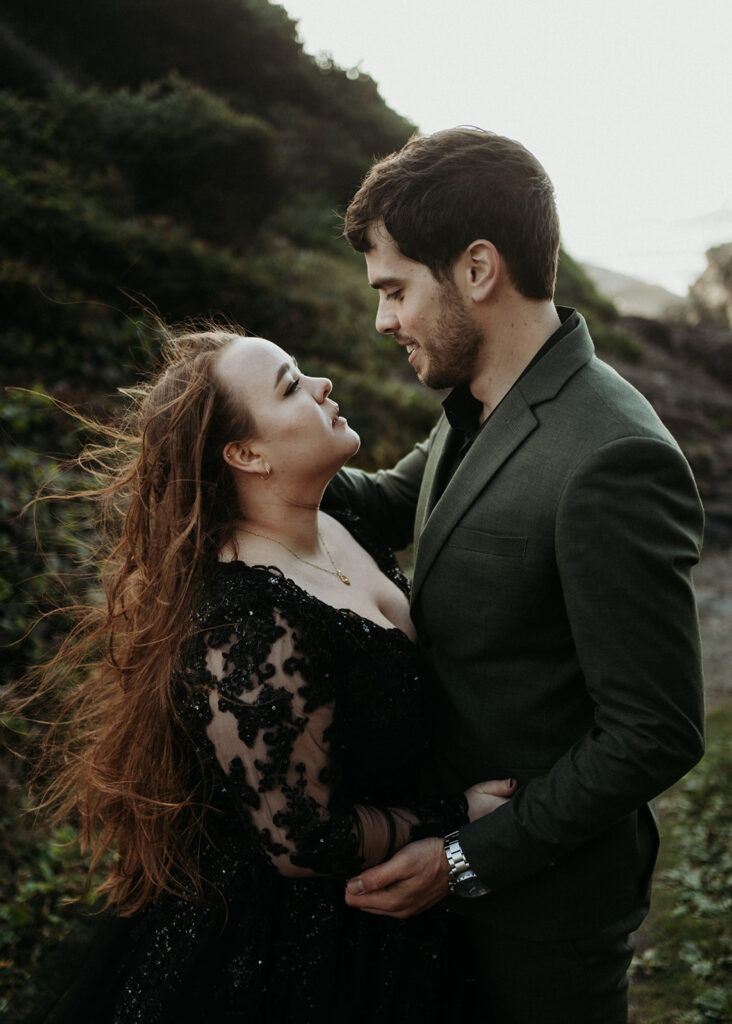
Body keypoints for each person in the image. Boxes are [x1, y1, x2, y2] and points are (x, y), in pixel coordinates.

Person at [20, 327, 516, 1024]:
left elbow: (443, 463)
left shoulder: (335, 517)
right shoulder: (246, 621)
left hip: (396, 920)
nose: (323, 386)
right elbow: (305, 840)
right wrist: (459, 816)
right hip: (297, 951)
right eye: (291, 385)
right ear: (246, 454)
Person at [324, 127, 706, 1023]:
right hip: (435, 868)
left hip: (542, 913)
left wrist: (465, 855)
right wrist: (236, 448)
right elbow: (386, 502)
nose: (383, 321)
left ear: (478, 270)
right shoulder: (480, 401)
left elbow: (656, 730)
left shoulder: (612, 456)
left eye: (394, 291)